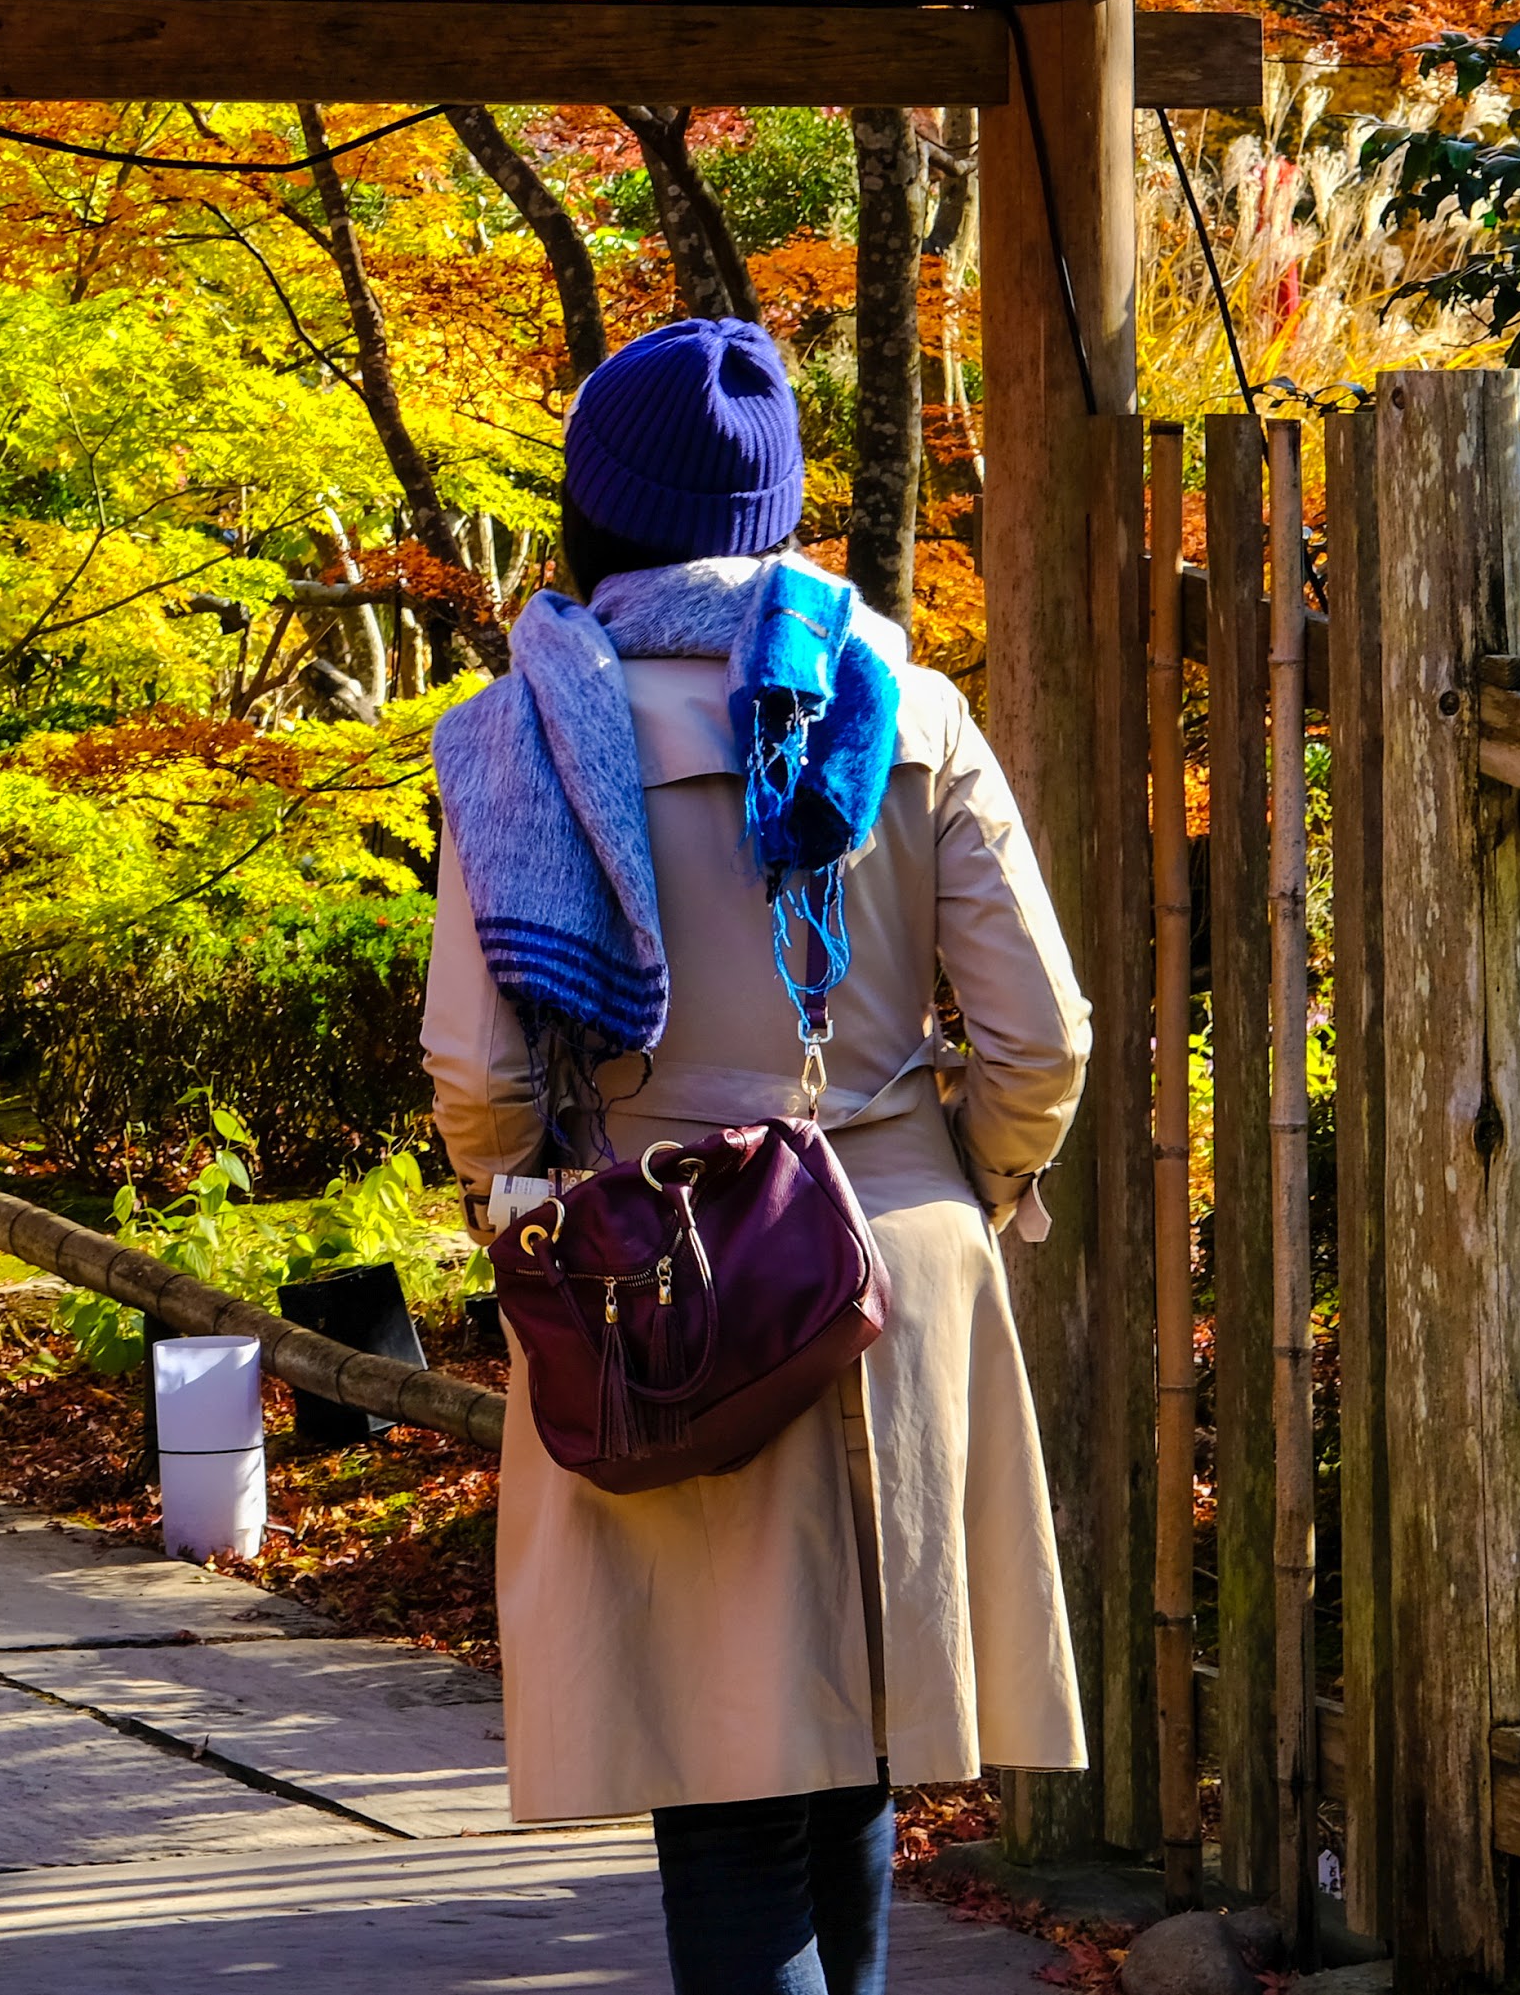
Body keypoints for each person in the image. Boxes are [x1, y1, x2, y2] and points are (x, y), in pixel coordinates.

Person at [421, 317, 1091, 1995]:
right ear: (779, 509)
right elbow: (1041, 1039)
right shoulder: (902, 704)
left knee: (722, 1789)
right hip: (892, 1266)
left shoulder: (523, 735)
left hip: (664, 1273)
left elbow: (476, 1069)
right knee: (849, 1748)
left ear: (597, 512)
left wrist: (524, 1204)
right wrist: (965, 1187)